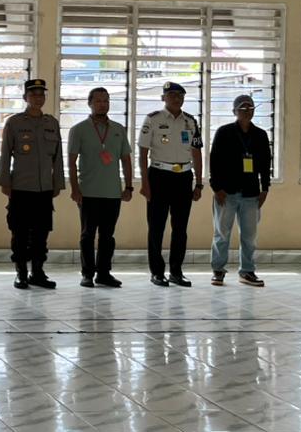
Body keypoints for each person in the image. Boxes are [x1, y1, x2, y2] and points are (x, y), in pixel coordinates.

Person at [0, 79, 65, 290]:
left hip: (44, 189)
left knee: (41, 233)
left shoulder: (51, 123)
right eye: (33, 94)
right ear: (25, 97)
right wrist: (5, 181)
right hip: (20, 188)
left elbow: (58, 157)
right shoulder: (14, 123)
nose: (38, 98)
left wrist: (58, 182)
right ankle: (21, 273)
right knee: (19, 233)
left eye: (41, 94)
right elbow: (5, 154)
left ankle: (37, 272)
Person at [139, 81, 204, 287]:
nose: (176, 98)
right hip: (159, 176)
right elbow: (143, 153)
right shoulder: (153, 119)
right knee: (156, 227)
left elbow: (196, 152)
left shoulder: (190, 121)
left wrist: (199, 183)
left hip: (183, 178)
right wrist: (145, 183)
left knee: (180, 228)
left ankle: (176, 271)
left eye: (180, 95)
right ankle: (157, 272)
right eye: (172, 95)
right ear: (163, 98)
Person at [67, 86, 133, 288]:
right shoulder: (78, 129)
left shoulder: (118, 129)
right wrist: (75, 189)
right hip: (88, 192)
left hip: (112, 193)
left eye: (106, 101)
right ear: (90, 103)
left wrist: (128, 187)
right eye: (98, 101)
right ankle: (87, 273)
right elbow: (71, 162)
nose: (103, 104)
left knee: (107, 236)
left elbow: (126, 159)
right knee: (87, 235)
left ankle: (104, 273)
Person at [209, 94, 272, 287]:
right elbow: (214, 161)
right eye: (243, 108)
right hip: (226, 193)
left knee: (249, 236)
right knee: (222, 234)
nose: (247, 111)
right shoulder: (224, 132)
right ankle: (218, 270)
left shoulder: (260, 135)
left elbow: (265, 164)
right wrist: (216, 188)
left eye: (250, 108)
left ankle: (247, 271)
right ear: (234, 111)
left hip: (251, 193)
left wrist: (265, 189)